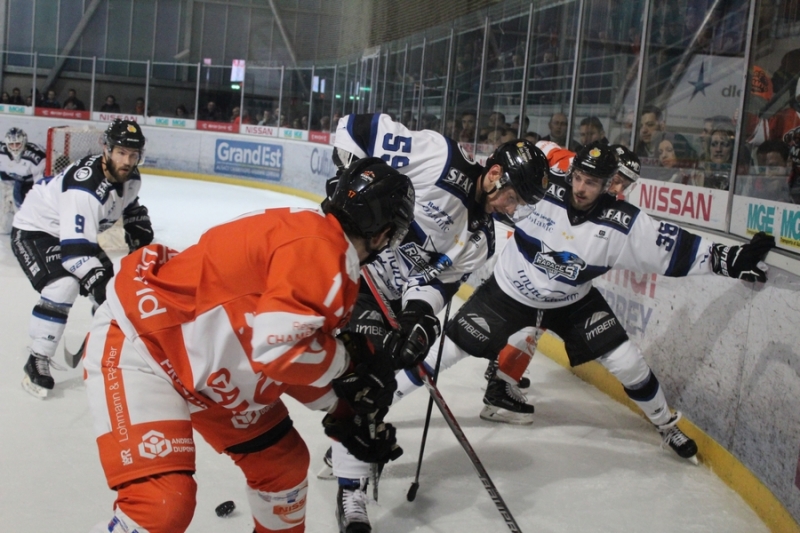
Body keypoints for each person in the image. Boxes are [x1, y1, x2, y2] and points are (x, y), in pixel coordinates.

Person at [83, 158, 414, 533]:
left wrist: (341, 410)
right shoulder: (326, 252)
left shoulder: (316, 238)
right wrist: (347, 365)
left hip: (201, 355)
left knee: (282, 467)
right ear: (384, 233)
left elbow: (281, 348)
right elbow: (279, 351)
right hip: (145, 344)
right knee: (160, 507)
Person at [393, 141, 774, 466]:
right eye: (577, 177)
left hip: (573, 302)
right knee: (446, 353)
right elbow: (518, 165)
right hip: (510, 292)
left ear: (609, 185)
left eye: (591, 182)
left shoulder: (626, 223)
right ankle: (381, 399)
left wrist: (732, 260)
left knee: (628, 363)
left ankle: (666, 425)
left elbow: (682, 250)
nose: (580, 187)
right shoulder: (541, 191)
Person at [328, 112, 549, 532]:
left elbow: (435, 283)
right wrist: (349, 175)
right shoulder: (439, 157)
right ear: (496, 174)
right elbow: (355, 129)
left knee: (369, 386)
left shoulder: (482, 239)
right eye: (515, 197)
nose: (514, 208)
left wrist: (418, 318)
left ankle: (350, 487)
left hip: (378, 295)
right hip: (342, 258)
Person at [10, 119, 152, 398]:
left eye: (133, 155)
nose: (127, 160)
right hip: (36, 230)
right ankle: (37, 358)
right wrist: (96, 282)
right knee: (65, 285)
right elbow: (75, 255)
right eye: (121, 152)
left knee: (113, 291)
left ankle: (105, 342)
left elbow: (128, 203)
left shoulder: (131, 176)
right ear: (107, 150)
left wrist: (137, 223)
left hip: (70, 231)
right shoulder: (84, 188)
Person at [0, 127, 46, 233]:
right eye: (12, 144)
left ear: (24, 142)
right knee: (4, 228)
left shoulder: (36, 157)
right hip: (7, 180)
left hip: (27, 183)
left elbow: (40, 185)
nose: (15, 148)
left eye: (18, 144)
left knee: (27, 206)